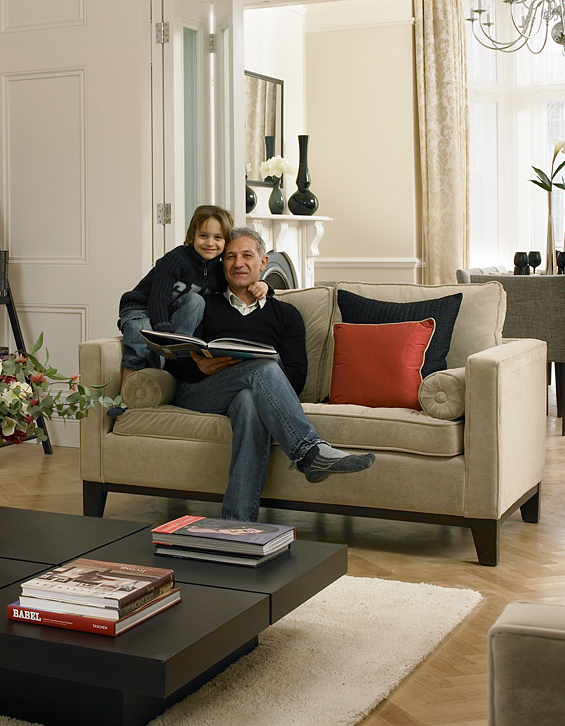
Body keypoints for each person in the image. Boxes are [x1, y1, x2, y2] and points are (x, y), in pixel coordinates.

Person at [164, 226, 375, 522]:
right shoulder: (204, 305)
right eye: (230, 257)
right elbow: (173, 359)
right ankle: (309, 453)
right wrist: (197, 365)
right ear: (221, 263)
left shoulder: (286, 315)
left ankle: (236, 523)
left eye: (247, 256)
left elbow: (297, 377)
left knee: (250, 401)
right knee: (263, 368)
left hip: (247, 396)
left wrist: (258, 377)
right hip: (201, 391)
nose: (238, 263)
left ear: (263, 263)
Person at [116, 205, 266, 382]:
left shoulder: (219, 271)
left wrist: (264, 286)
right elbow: (158, 299)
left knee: (197, 300)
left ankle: (175, 356)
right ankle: (124, 398)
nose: (210, 243)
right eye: (203, 236)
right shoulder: (175, 260)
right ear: (192, 236)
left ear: (225, 241)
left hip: (174, 310)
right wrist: (163, 334)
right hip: (141, 308)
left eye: (217, 237)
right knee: (140, 336)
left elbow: (240, 285)